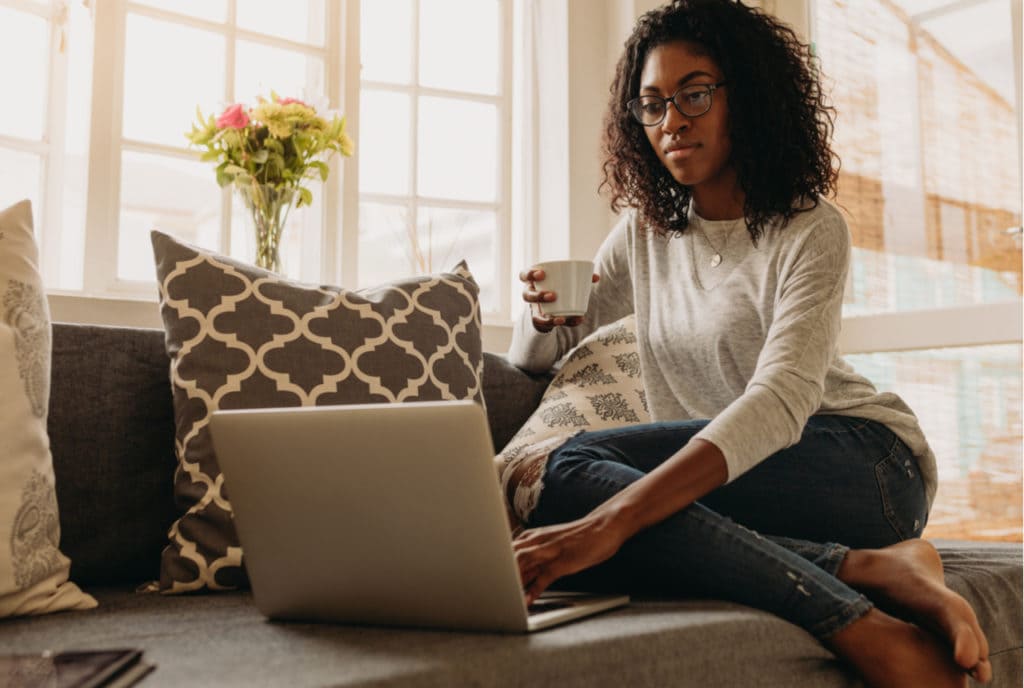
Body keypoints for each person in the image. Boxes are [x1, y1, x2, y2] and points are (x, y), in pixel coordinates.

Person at [505, 1, 991, 686]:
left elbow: (782, 399)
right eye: (652, 105)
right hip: (744, 482)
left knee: (584, 477)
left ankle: (857, 624)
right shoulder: (646, 234)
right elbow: (536, 360)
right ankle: (865, 570)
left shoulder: (810, 229)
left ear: (751, 95)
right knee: (551, 496)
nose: (672, 121)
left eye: (695, 94)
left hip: (860, 465)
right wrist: (540, 317)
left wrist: (612, 520)